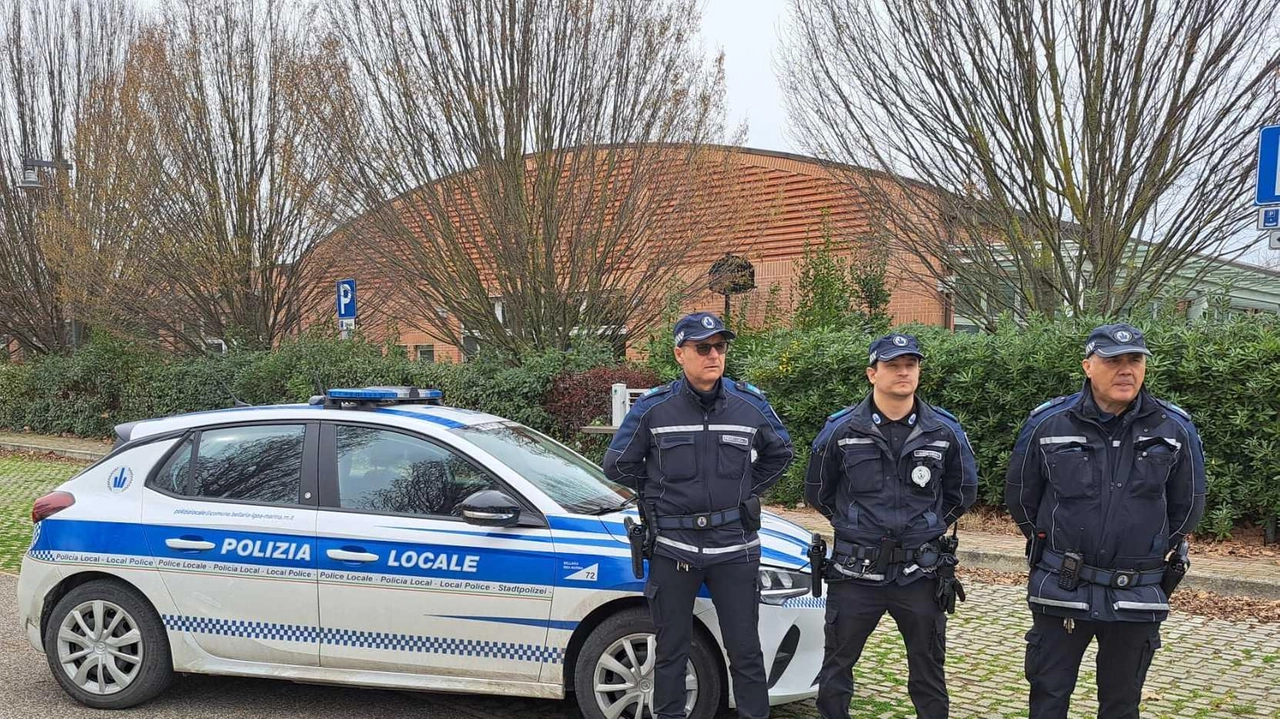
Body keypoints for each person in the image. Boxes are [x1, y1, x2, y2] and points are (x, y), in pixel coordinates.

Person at [1004, 323, 1206, 719]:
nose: (1126, 369)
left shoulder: (1174, 428)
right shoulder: (1049, 423)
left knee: (1121, 703)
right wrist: (1051, 544)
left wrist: (1147, 548)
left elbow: (1188, 507)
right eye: (1114, 360)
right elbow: (1022, 498)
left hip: (1137, 589)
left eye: (1135, 360)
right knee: (1048, 697)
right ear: (1088, 366)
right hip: (1062, 586)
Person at [604, 311, 794, 719]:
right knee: (671, 651)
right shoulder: (655, 409)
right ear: (680, 354)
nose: (714, 355)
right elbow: (617, 464)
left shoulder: (749, 404)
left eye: (720, 347)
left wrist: (747, 488)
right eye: (702, 347)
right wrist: (660, 493)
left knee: (745, 650)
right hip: (675, 548)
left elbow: (782, 452)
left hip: (735, 547)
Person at [805, 333, 977, 719]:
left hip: (920, 573)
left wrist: (929, 525)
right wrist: (853, 525)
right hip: (855, 572)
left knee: (928, 674)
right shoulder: (841, 430)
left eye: (911, 365)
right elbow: (818, 491)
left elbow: (962, 490)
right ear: (872, 373)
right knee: (836, 671)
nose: (903, 372)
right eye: (893, 365)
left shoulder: (944, 430)